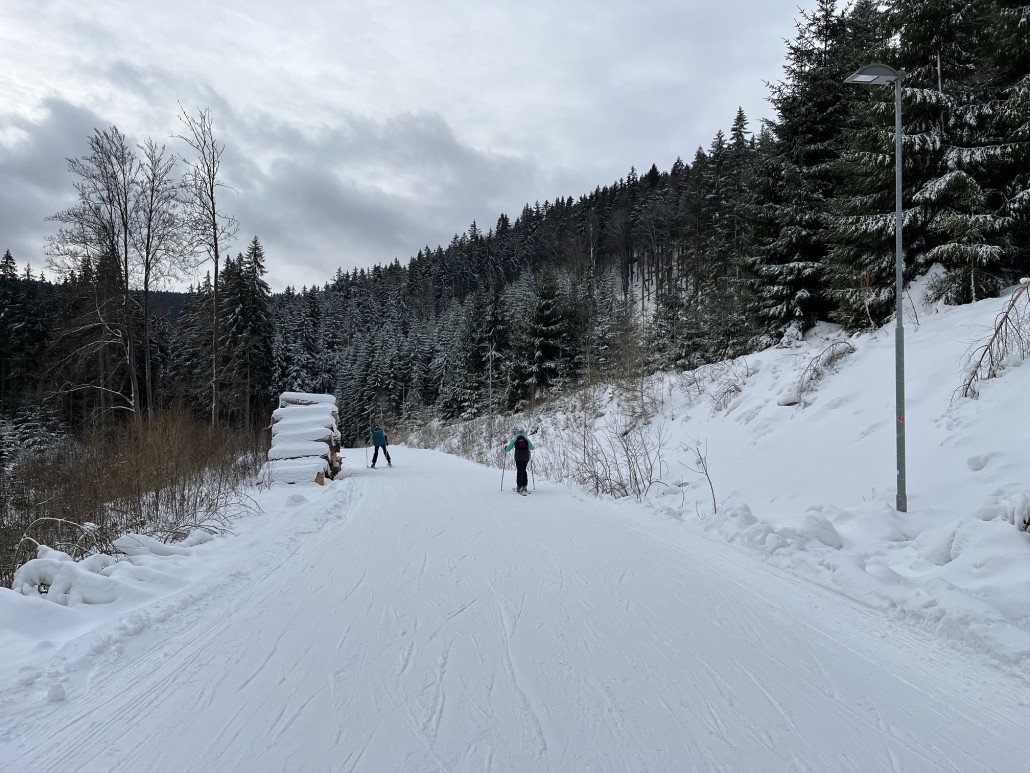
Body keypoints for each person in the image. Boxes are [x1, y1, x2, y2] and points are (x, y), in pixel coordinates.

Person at [504, 429, 533, 494]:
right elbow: (532, 447)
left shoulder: (516, 439)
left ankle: (520, 487)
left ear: (517, 433)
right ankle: (525, 486)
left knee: (520, 471)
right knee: (524, 470)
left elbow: (508, 449)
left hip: (518, 458)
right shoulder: (526, 439)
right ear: (524, 433)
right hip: (526, 458)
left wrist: (506, 448)